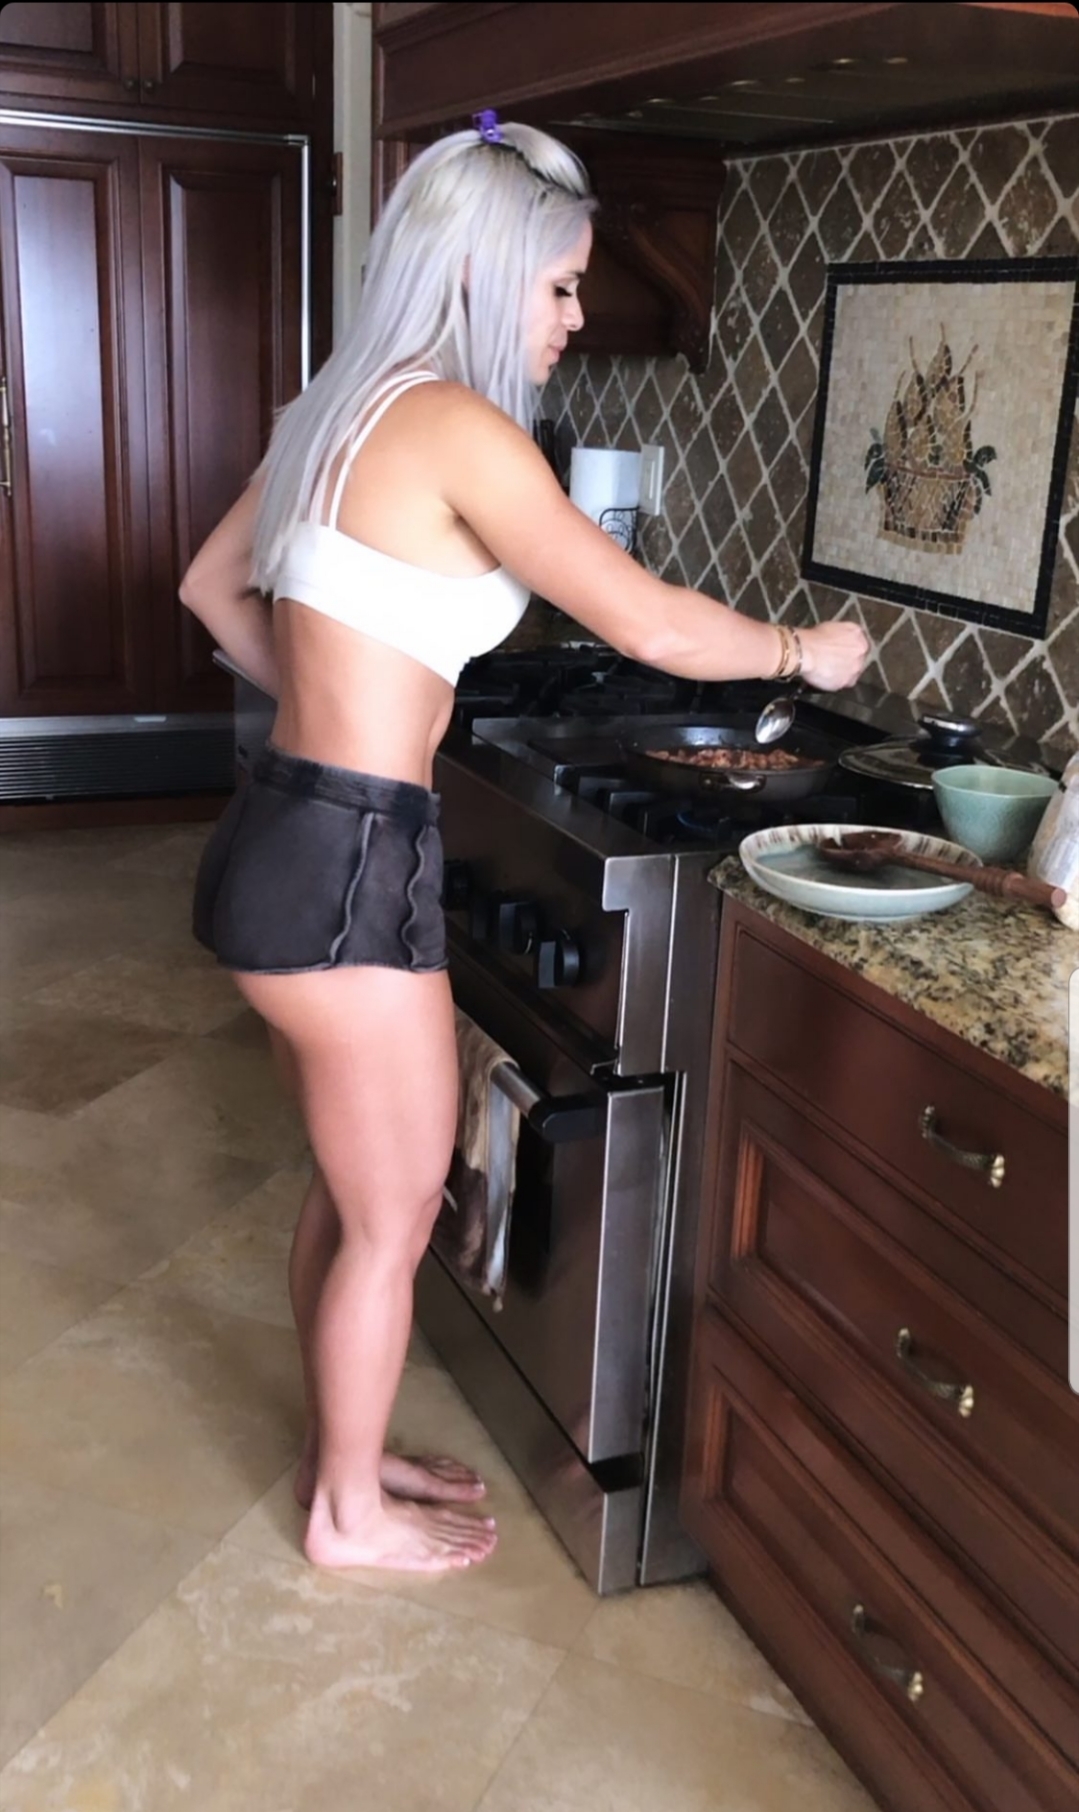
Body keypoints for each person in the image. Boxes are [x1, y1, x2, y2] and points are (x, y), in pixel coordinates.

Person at [182, 113, 869, 1578]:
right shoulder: (459, 430)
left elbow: (207, 587)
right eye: (558, 285)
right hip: (352, 868)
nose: (572, 315)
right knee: (397, 1211)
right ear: (485, 276)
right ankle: (345, 1514)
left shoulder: (334, 407)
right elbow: (651, 623)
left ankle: (340, 1458)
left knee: (353, 1190)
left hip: (284, 834)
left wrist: (334, 706)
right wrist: (804, 651)